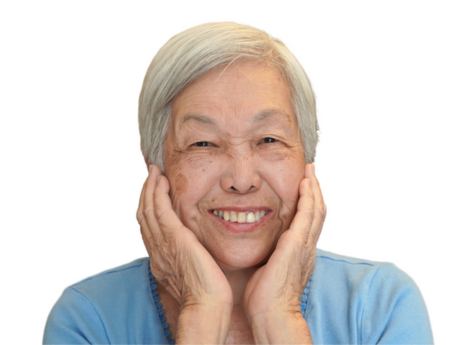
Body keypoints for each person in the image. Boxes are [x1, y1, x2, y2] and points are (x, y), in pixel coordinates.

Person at [43, 22, 433, 344]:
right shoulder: (89, 320)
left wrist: (279, 317)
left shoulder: (379, 306)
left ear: (307, 160)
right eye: (203, 144)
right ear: (155, 167)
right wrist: (202, 314)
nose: (242, 180)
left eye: (269, 140)